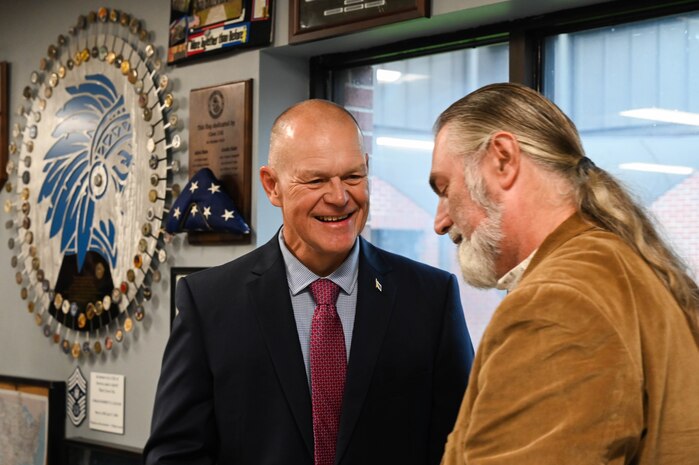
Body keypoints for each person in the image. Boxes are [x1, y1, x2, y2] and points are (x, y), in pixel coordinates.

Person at [144, 99, 474, 465]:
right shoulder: (209, 303)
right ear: (272, 186)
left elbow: (461, 446)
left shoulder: (430, 298)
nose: (338, 197)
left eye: (352, 176)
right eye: (316, 180)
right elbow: (175, 454)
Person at [429, 82, 699, 465]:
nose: (441, 222)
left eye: (444, 188)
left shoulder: (558, 302)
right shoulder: (612, 266)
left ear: (502, 159)